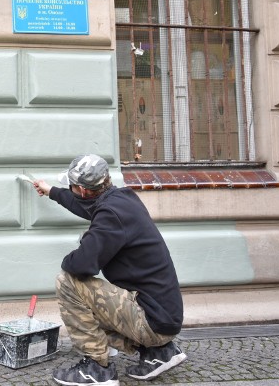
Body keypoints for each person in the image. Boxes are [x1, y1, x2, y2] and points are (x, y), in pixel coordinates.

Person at [32, 154, 186, 386]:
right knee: (92, 291)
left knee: (68, 282)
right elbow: (86, 207)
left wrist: (86, 243)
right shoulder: (123, 199)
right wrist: (51, 191)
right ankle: (161, 353)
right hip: (164, 317)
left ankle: (96, 368)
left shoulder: (110, 216)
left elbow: (81, 266)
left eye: (72, 186)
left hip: (151, 322)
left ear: (83, 190)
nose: (71, 190)